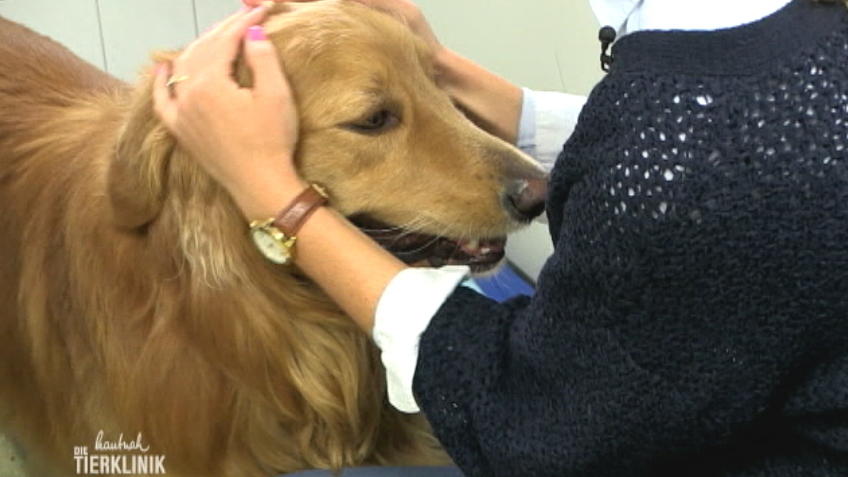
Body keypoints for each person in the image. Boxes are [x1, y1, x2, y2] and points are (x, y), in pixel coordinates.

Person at [152, 0, 848, 475]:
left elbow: (534, 429)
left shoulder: (692, 146)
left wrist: (278, 198)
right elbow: (737, 156)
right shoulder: (792, 43)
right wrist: (438, 67)